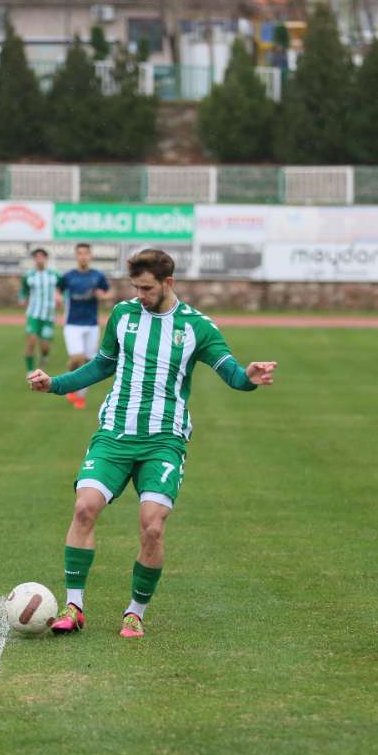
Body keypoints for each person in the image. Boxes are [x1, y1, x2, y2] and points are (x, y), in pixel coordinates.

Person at [27, 249, 277, 639]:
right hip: (114, 433)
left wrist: (248, 375)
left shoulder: (198, 327)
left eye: (146, 288)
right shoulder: (123, 316)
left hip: (164, 439)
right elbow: (101, 365)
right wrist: (55, 384)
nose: (140, 295)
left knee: (152, 526)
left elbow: (230, 372)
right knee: (84, 508)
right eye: (136, 287)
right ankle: (74, 606)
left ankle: (134, 612)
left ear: (168, 283)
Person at [58, 243, 112, 410]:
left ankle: (79, 396)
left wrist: (102, 296)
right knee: (77, 359)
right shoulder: (68, 276)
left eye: (85, 253)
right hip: (73, 323)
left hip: (92, 324)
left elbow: (109, 292)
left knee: (88, 363)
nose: (83, 256)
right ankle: (71, 385)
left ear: (90, 256)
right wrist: (58, 298)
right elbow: (58, 290)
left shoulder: (97, 276)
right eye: (80, 253)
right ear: (76, 256)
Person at [19, 248, 62, 375]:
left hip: (49, 315)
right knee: (31, 340)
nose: (39, 259)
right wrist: (21, 298)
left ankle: (44, 357)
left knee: (44, 346)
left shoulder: (54, 275)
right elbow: (23, 290)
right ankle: (30, 370)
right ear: (34, 259)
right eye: (36, 257)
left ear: (46, 258)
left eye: (41, 257)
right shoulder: (29, 275)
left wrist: (60, 297)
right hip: (34, 313)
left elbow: (62, 288)